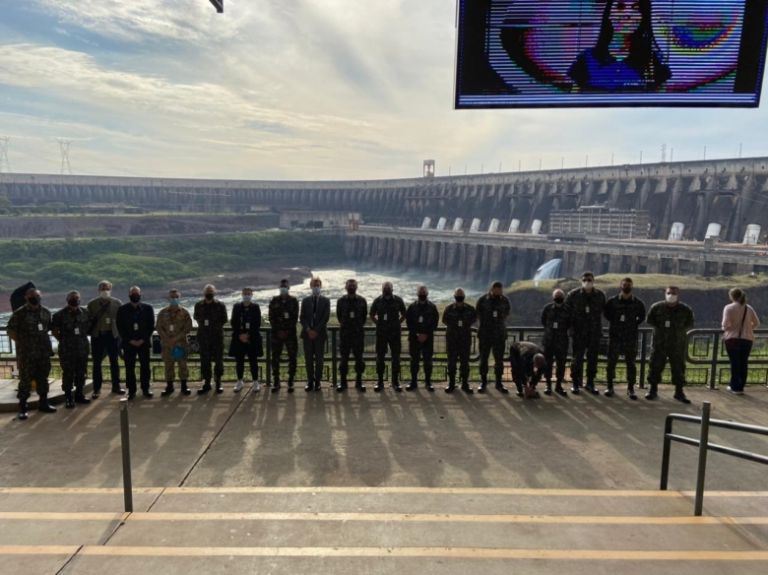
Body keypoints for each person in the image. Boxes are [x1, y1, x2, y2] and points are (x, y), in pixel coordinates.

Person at [568, 0, 671, 92]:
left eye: (636, 8)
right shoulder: (587, 59)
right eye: (620, 6)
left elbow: (659, 104)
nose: (628, 14)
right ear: (609, 14)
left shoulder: (653, 61)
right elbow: (573, 101)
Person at [8, 288, 55, 419]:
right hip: (27, 354)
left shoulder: (46, 312)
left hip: (43, 352)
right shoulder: (20, 313)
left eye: (37, 296)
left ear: (41, 296)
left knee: (43, 378)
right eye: (32, 296)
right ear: (26, 298)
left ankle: (44, 403)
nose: (35, 298)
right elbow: (11, 331)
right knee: (25, 381)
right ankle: (23, 407)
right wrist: (23, 343)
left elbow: (49, 328)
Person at [646, 286, 694, 403]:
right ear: (665, 293)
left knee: (678, 368)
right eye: (669, 293)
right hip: (659, 344)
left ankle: (679, 392)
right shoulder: (656, 307)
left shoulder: (685, 309)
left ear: (678, 295)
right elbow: (650, 321)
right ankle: (653, 390)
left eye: (674, 293)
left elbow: (689, 323)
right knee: (655, 367)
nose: (671, 295)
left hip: (677, 345)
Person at [603, 277, 646, 399]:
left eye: (629, 285)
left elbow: (641, 317)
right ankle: (610, 386)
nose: (626, 287)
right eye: (624, 284)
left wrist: (631, 325)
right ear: (620, 286)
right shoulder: (612, 302)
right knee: (611, 363)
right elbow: (607, 314)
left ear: (632, 287)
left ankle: (631, 388)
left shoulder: (638, 303)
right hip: (615, 336)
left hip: (630, 337)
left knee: (631, 364)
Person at [565, 271, 606, 395]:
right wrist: (571, 329)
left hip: (594, 332)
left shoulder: (600, 295)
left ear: (593, 281)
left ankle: (590, 383)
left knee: (592, 359)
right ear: (581, 281)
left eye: (589, 280)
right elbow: (566, 312)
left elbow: (605, 311)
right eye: (585, 280)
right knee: (577, 359)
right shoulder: (573, 295)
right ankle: (575, 383)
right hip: (578, 332)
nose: (587, 282)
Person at [51, 291, 92, 409]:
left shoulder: (85, 312)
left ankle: (79, 394)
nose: (75, 300)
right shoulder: (59, 315)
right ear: (67, 300)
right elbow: (54, 331)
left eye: (77, 298)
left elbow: (89, 327)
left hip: (82, 348)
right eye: (72, 298)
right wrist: (64, 340)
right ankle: (68, 397)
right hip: (67, 349)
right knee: (68, 373)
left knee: (81, 372)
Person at [86, 280, 124, 398]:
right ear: (98, 290)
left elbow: (121, 321)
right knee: (96, 363)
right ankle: (97, 389)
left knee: (114, 362)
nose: (104, 290)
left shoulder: (117, 303)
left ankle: (116, 387)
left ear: (110, 289)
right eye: (102, 288)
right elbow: (88, 320)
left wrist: (121, 337)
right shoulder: (92, 304)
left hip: (112, 336)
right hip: (97, 336)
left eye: (107, 288)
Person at [116, 286, 156, 399]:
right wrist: (130, 340)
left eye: (137, 294)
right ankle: (131, 391)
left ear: (140, 295)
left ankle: (146, 389)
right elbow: (120, 327)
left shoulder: (148, 308)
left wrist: (143, 339)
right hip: (129, 344)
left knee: (145, 367)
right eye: (133, 294)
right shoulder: (122, 309)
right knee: (129, 368)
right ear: (129, 295)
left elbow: (150, 326)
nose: (135, 296)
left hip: (144, 343)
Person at [721, 288, 760, 395]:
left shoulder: (728, 308)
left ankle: (735, 387)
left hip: (733, 339)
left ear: (732, 297)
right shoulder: (749, 308)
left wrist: (732, 328)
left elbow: (725, 325)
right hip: (747, 339)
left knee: (735, 363)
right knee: (743, 362)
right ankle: (740, 386)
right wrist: (747, 328)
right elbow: (756, 323)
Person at [370, 281, 407, 392]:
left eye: (388, 288)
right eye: (385, 288)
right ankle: (380, 382)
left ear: (392, 289)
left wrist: (397, 323)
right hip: (381, 333)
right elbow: (371, 314)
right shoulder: (377, 301)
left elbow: (404, 314)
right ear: (382, 289)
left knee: (396, 358)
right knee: (380, 358)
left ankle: (395, 382)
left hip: (394, 333)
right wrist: (379, 323)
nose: (387, 289)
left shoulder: (398, 300)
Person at [155, 289, 193, 397]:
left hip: (180, 345)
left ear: (179, 298)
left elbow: (188, 328)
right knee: (168, 366)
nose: (174, 299)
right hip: (167, 345)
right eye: (172, 297)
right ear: (168, 298)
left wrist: (176, 338)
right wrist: (167, 338)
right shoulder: (162, 312)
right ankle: (169, 387)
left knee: (182, 365)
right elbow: (158, 327)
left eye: (176, 297)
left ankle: (184, 386)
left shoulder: (184, 312)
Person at [475, 281, 511, 393]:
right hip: (485, 335)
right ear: (492, 289)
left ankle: (499, 383)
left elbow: (507, 313)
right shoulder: (483, 300)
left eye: (500, 289)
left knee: (499, 360)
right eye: (497, 289)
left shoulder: (505, 300)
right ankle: (483, 382)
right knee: (483, 359)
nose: (499, 291)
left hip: (499, 335)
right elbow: (478, 314)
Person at [194, 284, 228, 395]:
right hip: (203, 338)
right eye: (207, 291)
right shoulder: (198, 305)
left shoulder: (220, 305)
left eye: (211, 291)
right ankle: (207, 383)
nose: (209, 293)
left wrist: (213, 326)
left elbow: (224, 319)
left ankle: (218, 383)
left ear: (215, 292)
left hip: (217, 338)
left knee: (218, 361)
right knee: (205, 362)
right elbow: (196, 318)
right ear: (204, 293)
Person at [442, 288, 477, 394]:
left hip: (465, 340)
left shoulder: (470, 309)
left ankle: (465, 384)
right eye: (458, 295)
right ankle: (451, 384)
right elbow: (444, 320)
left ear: (464, 296)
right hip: (452, 340)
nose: (459, 296)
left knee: (465, 364)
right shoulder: (449, 309)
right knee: (451, 363)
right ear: (454, 296)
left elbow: (474, 319)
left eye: (461, 295)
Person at [405, 285, 440, 392]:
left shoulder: (432, 307)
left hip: (428, 339)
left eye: (424, 292)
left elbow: (435, 322)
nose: (422, 294)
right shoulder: (412, 307)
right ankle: (413, 382)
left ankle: (428, 383)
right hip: (414, 339)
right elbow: (409, 322)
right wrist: (417, 334)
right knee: (414, 361)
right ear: (417, 294)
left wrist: (426, 334)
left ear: (427, 293)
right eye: (421, 292)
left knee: (428, 362)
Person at [336, 278, 368, 392]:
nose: (351, 287)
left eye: (353, 285)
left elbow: (364, 317)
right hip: (345, 335)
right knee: (344, 359)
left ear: (357, 287)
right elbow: (339, 317)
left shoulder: (362, 301)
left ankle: (359, 382)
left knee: (359, 359)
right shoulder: (341, 301)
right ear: (346, 287)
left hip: (358, 335)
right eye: (350, 285)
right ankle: (343, 383)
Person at [268, 279, 299, 392]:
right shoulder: (274, 300)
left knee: (292, 357)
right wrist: (279, 330)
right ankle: (276, 381)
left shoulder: (294, 301)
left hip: (290, 334)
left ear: (289, 288)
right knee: (275, 358)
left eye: (285, 286)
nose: (283, 288)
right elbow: (271, 317)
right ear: (279, 287)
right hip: (277, 334)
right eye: (281, 286)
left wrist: (286, 331)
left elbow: (295, 317)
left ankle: (291, 381)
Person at [300, 278, 330, 392]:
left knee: (319, 359)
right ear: (310, 286)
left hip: (320, 334)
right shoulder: (305, 300)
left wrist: (316, 331)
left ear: (320, 286)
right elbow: (302, 317)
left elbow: (325, 318)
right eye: (314, 285)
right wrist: (308, 330)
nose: (316, 287)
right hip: (307, 335)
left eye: (317, 285)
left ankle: (318, 381)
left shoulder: (326, 300)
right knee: (308, 359)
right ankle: (310, 381)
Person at [540, 289, 570, 396]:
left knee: (561, 364)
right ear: (553, 297)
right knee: (547, 364)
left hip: (562, 341)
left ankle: (558, 385)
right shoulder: (547, 308)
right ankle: (548, 385)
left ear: (564, 297)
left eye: (560, 296)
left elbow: (570, 323)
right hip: (549, 341)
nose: (558, 297)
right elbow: (543, 321)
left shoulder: (567, 309)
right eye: (556, 296)